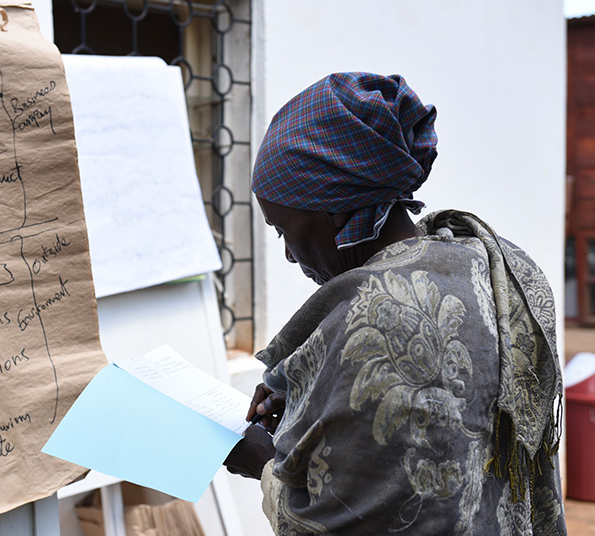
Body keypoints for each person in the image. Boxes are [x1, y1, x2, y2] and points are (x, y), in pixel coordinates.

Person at [223, 72, 566, 535]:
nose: (288, 253)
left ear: (337, 211)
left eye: (285, 231)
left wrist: (263, 463)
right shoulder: (483, 260)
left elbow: (343, 521)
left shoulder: (377, 317)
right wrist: (311, 395)